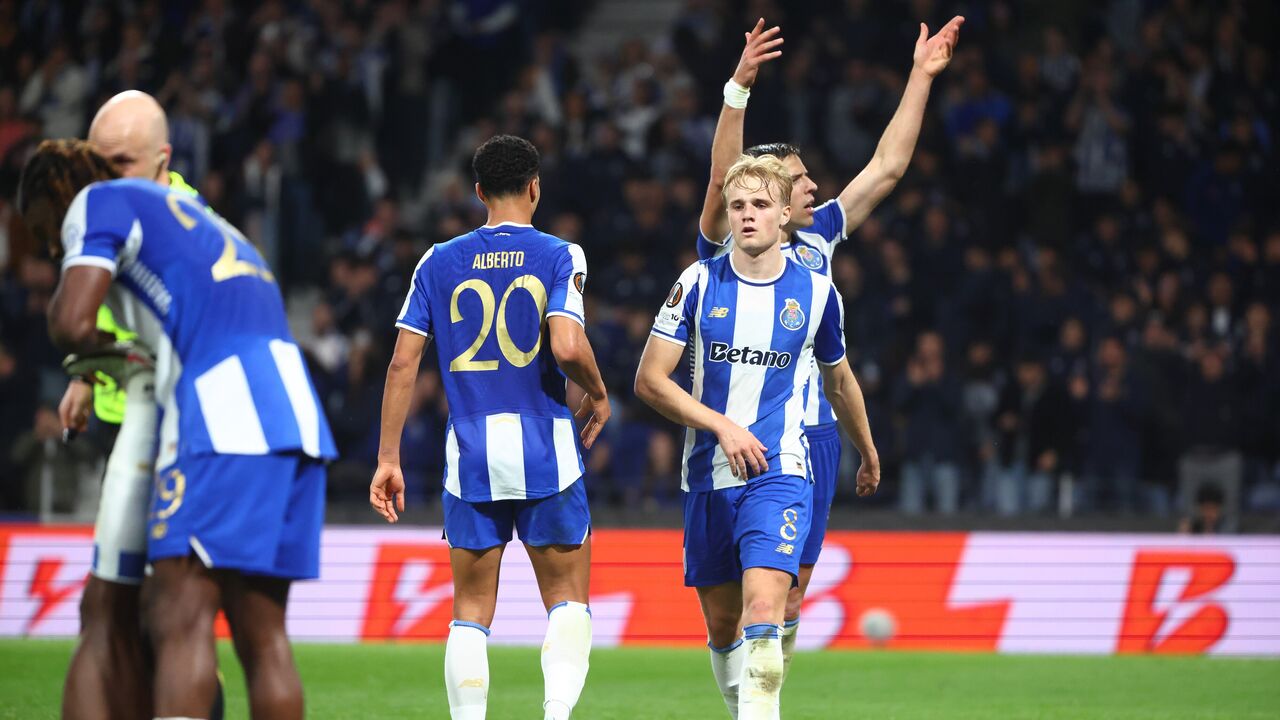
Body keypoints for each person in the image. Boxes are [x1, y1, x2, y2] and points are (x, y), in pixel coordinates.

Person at [20, 138, 335, 719]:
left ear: (58, 194)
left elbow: (69, 321)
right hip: (295, 408)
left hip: (221, 413)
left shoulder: (95, 202)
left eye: (44, 228)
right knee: (262, 635)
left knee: (179, 614)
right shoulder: (200, 219)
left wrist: (103, 353)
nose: (46, 244)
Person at [695, 15, 961, 677]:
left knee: (789, 590)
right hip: (731, 432)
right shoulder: (729, 246)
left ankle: (765, 690)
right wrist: (738, 90)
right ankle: (753, 686)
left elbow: (888, 167)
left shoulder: (818, 241)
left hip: (810, 434)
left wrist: (921, 76)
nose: (814, 186)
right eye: (801, 178)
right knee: (734, 608)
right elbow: (725, 175)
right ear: (772, 197)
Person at [369, 135, 610, 720]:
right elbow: (567, 343)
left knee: (471, 608)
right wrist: (599, 392)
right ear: (535, 187)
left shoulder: (437, 260)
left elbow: (403, 362)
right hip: (545, 448)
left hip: (471, 452)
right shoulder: (561, 254)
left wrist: (388, 458)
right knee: (566, 601)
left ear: (478, 192)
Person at [635, 154, 880, 719]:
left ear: (784, 216)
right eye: (738, 205)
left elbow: (838, 380)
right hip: (706, 477)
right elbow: (649, 380)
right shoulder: (697, 283)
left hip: (781, 472)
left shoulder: (817, 293)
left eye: (761, 205)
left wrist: (866, 449)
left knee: (764, 616)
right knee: (724, 628)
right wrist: (721, 425)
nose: (747, 216)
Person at [54, 90, 225, 720]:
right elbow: (105, 306)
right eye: (97, 161)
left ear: (163, 157)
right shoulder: (113, 205)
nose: (104, 176)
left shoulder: (183, 217)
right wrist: (84, 378)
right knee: (124, 604)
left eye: (120, 161)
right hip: (121, 420)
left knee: (161, 603)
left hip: (174, 430)